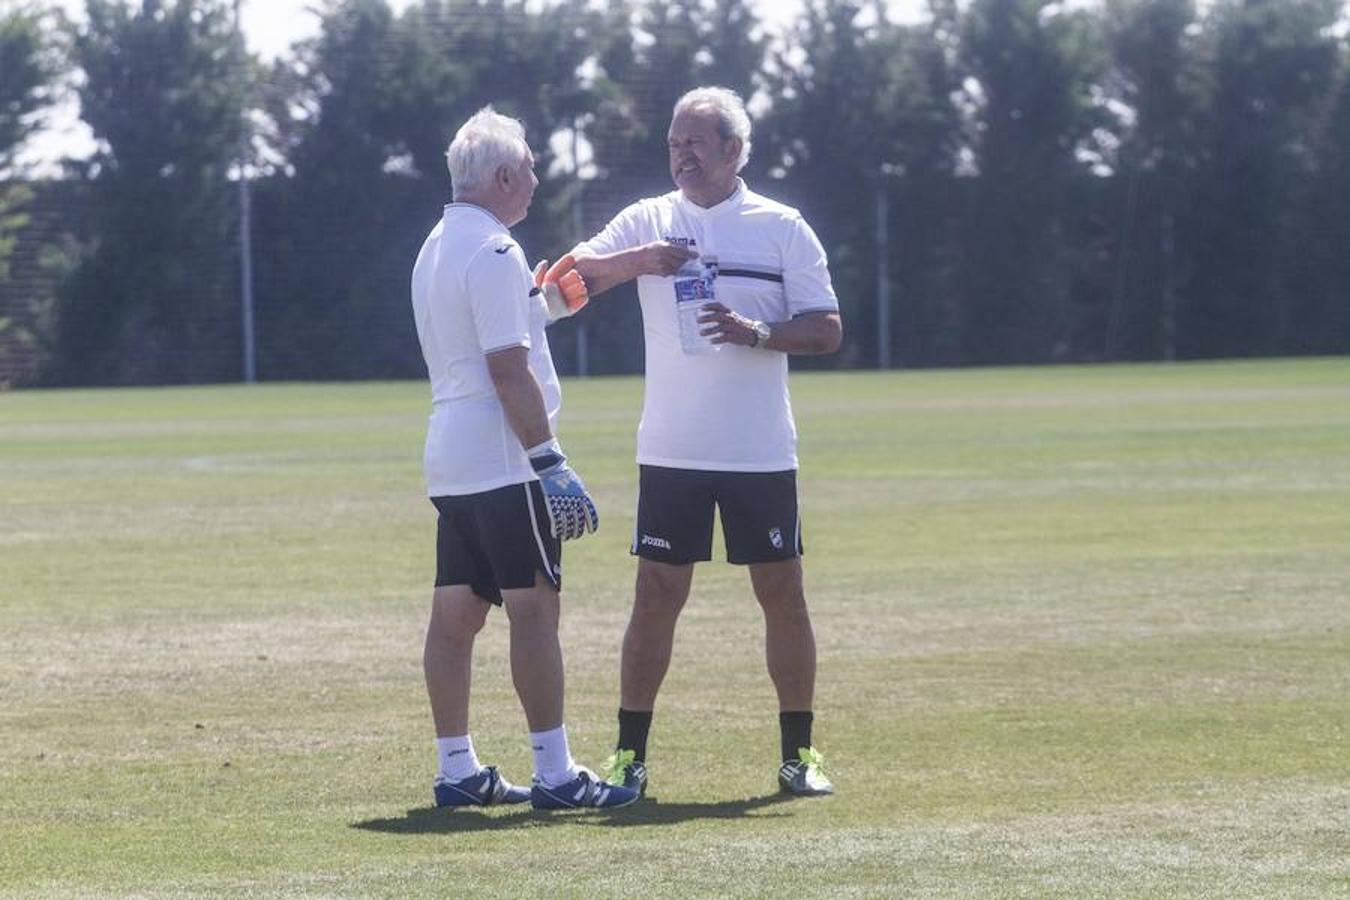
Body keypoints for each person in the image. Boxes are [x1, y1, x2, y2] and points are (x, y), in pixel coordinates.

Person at [562, 87, 843, 798]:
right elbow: (568, 278)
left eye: (696, 142)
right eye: (673, 143)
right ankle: (630, 759)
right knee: (655, 596)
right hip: (672, 451)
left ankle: (798, 757)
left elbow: (826, 330)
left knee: (783, 594)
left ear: (734, 151)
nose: (681, 155)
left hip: (758, 452)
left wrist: (756, 333)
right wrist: (641, 261)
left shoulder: (783, 228)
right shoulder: (648, 219)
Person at [409, 106, 637, 811]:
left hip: (452, 456)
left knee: (455, 616)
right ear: (503, 174)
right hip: (507, 461)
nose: (536, 179)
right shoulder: (498, 251)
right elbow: (508, 370)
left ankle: (457, 768)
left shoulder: (437, 243)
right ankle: (557, 773)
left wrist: (541, 307)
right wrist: (550, 459)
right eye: (531, 167)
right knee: (534, 610)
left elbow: (483, 341)